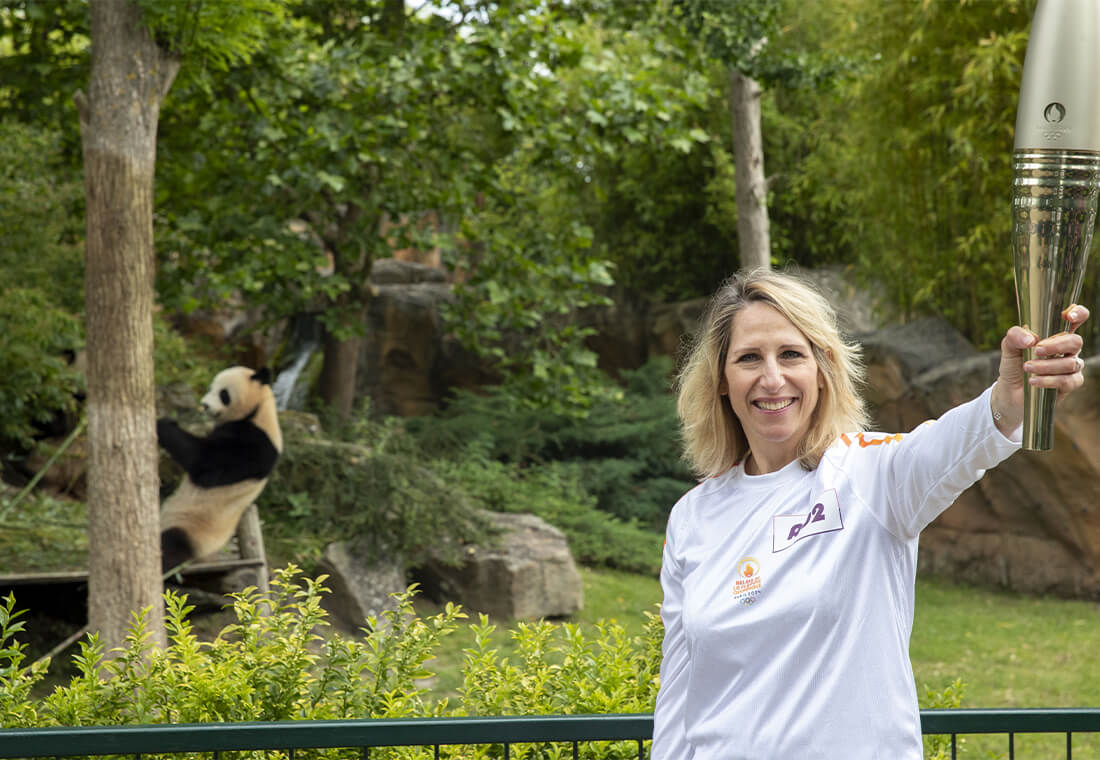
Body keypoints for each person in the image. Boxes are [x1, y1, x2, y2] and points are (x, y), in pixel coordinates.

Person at [651, 268, 1089, 760]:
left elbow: (955, 442)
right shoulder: (693, 516)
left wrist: (1009, 400)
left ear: (823, 368)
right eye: (749, 358)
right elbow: (680, 695)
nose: (771, 378)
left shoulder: (871, 474)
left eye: (791, 354)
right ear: (722, 382)